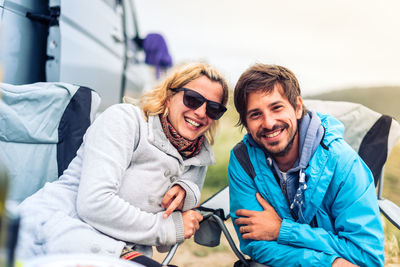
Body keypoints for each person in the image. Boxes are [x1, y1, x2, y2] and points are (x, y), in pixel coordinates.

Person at [15, 62, 229, 266]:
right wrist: (168, 227)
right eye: (192, 99)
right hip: (58, 232)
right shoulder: (125, 120)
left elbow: (165, 245)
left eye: (213, 109)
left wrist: (189, 189)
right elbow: (95, 204)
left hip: (120, 251)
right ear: (169, 96)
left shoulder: (197, 156)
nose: (201, 113)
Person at [228, 64, 384, 266]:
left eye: (277, 107)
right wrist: (329, 264)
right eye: (255, 114)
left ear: (298, 107)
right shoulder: (243, 161)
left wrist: (282, 231)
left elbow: (367, 257)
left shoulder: (344, 163)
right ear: (246, 124)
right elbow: (255, 244)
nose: (268, 123)